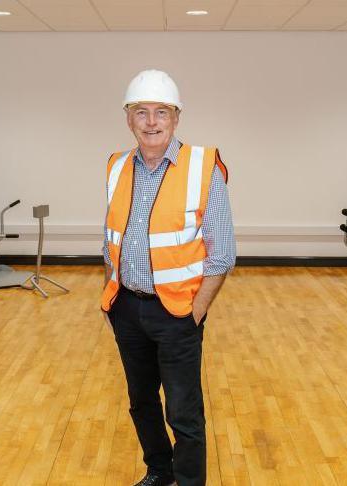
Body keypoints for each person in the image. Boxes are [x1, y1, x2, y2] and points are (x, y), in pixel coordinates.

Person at [101, 69, 235, 486]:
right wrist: (110, 294)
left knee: (183, 410)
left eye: (161, 111)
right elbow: (111, 239)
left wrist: (195, 312)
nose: (152, 121)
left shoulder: (202, 166)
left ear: (176, 118)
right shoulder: (117, 166)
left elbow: (223, 252)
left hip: (177, 313)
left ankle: (189, 481)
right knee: (141, 402)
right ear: (129, 118)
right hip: (126, 307)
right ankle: (159, 472)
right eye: (141, 112)